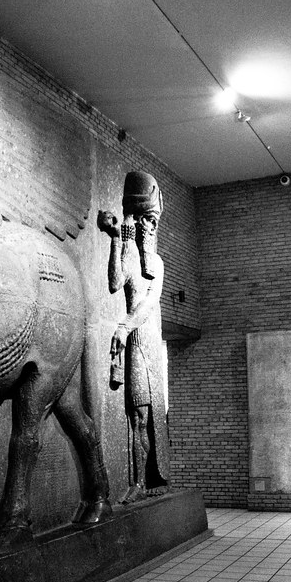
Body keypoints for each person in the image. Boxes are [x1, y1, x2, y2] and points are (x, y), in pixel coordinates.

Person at [97, 171, 169, 503]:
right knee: (135, 417)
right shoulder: (130, 252)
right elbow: (115, 282)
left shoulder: (156, 263)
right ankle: (138, 480)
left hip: (146, 344)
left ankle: (144, 480)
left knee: (144, 416)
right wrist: (118, 237)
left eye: (152, 221)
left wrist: (124, 327)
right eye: (143, 220)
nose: (147, 227)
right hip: (132, 346)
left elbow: (146, 305)